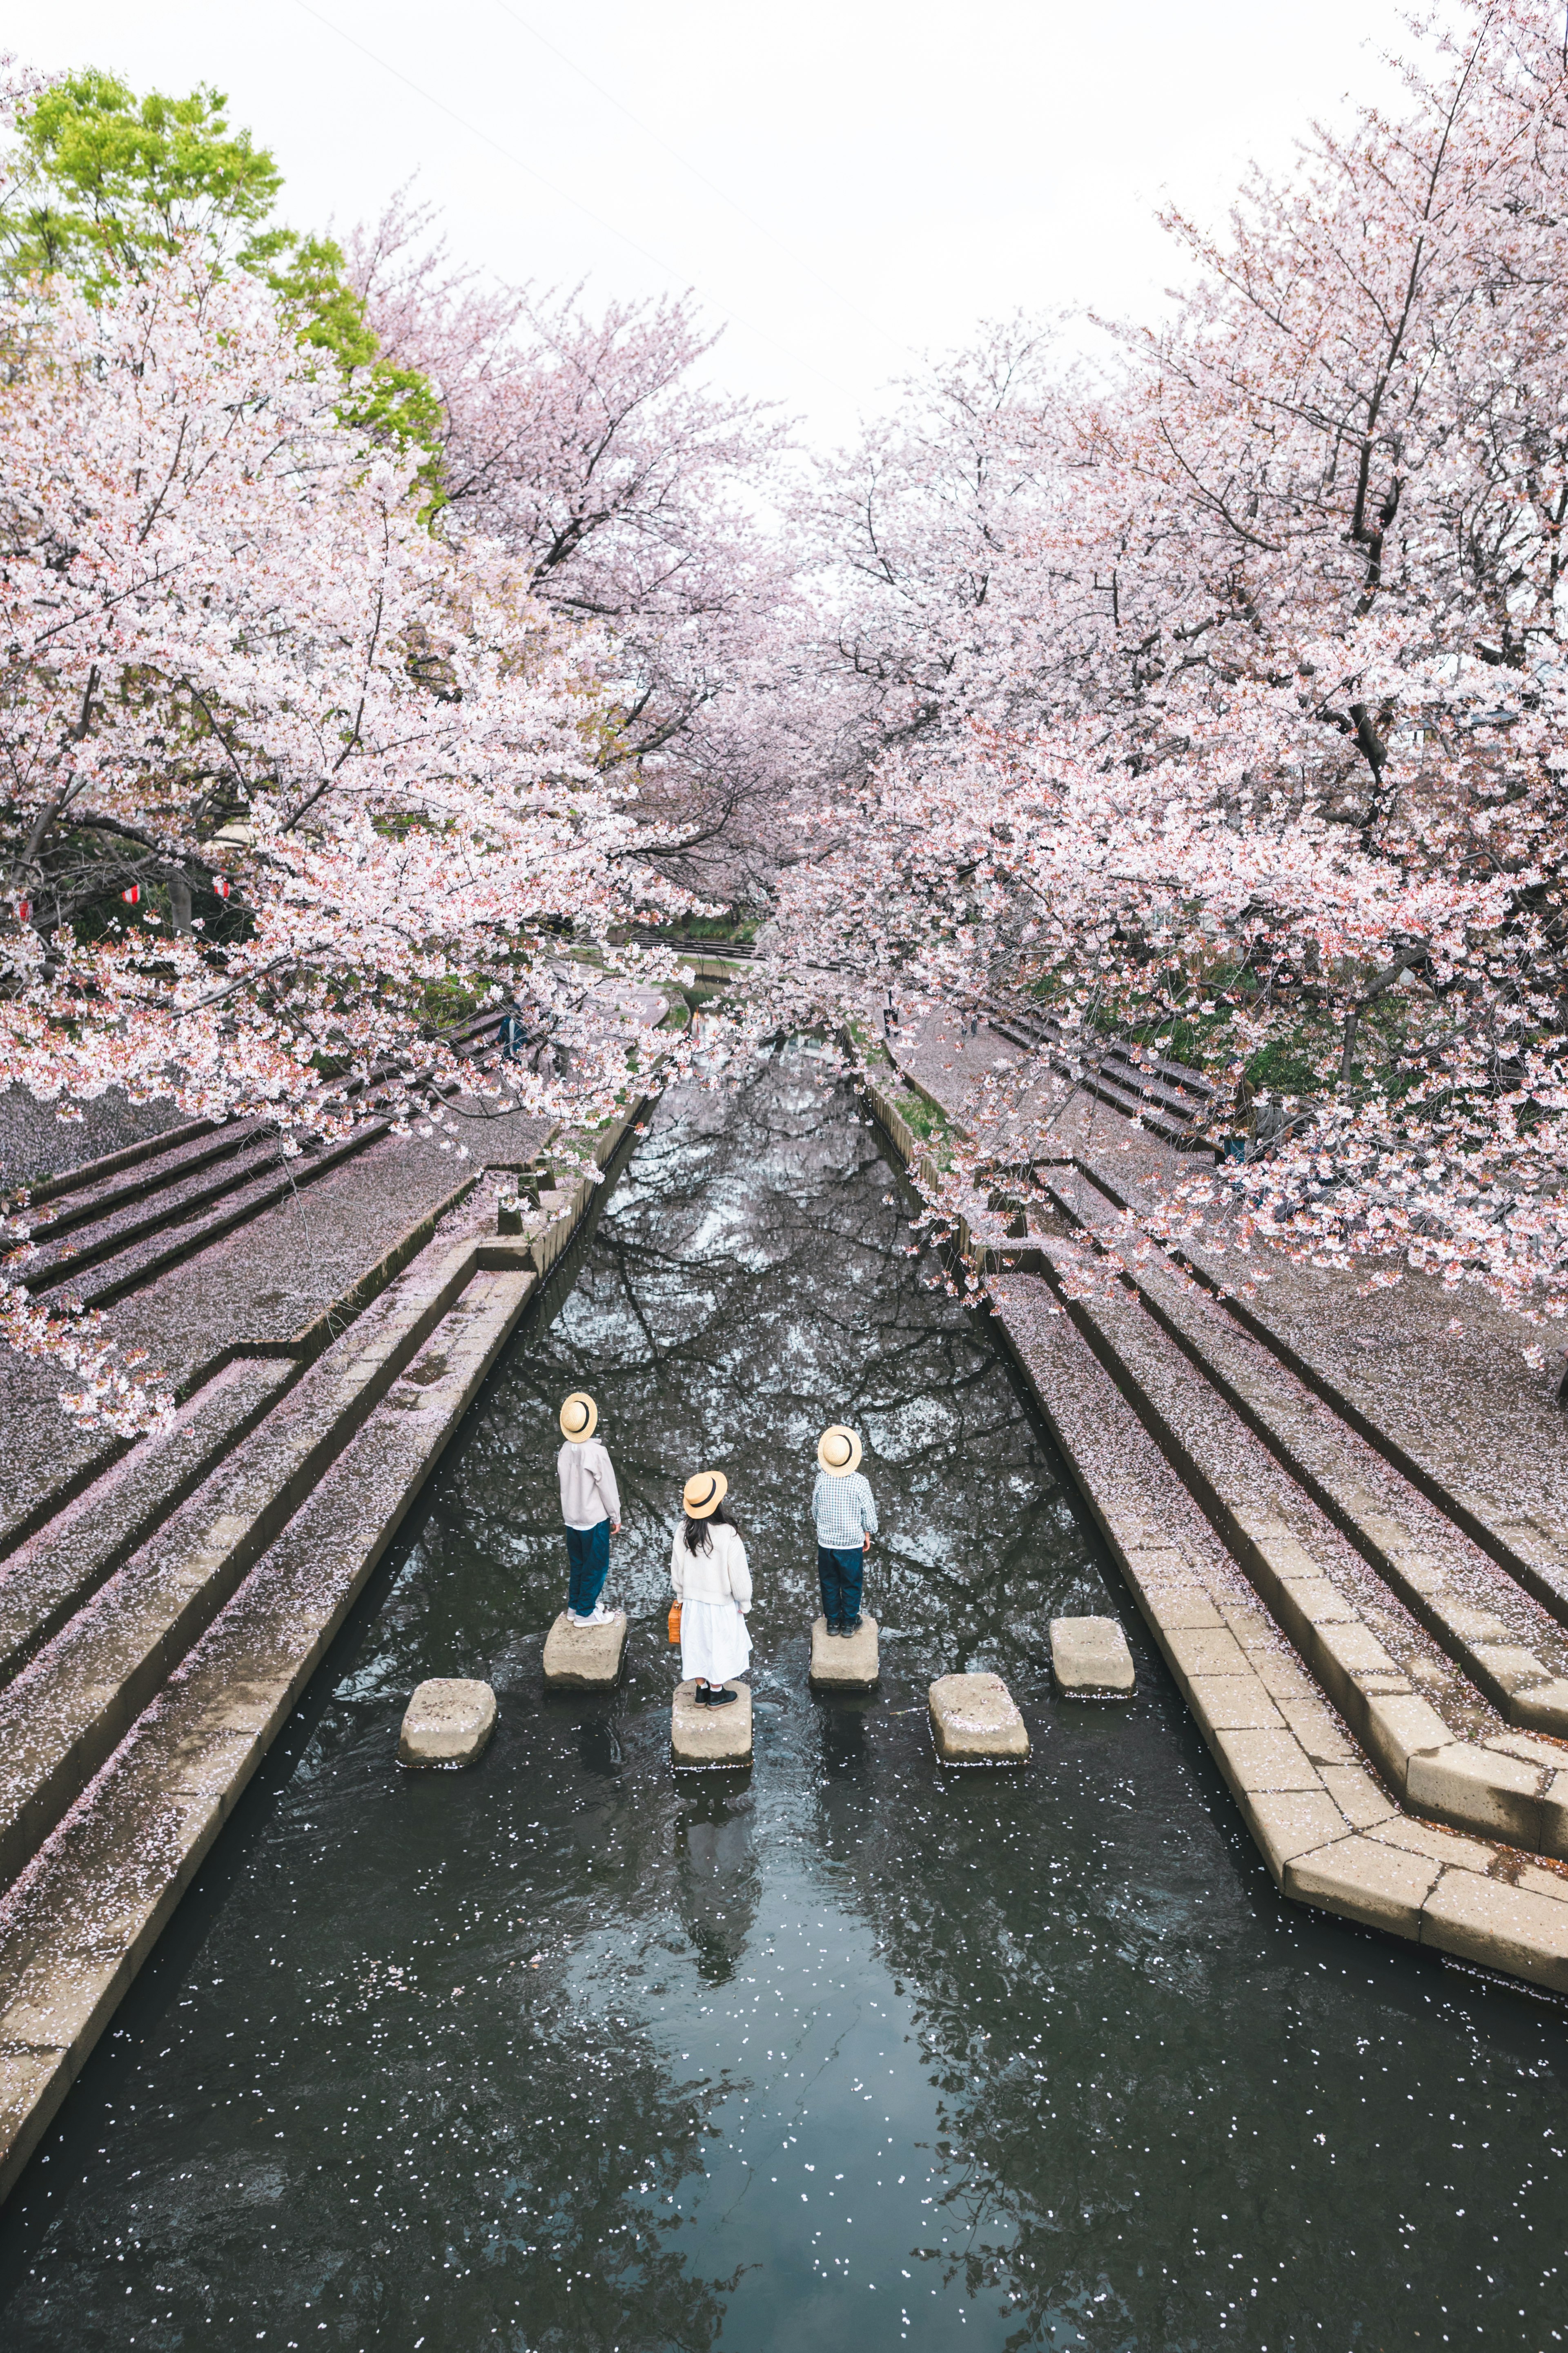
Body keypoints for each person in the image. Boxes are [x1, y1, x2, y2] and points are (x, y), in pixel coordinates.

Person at [670, 1470, 752, 1705]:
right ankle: (717, 1693)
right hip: (721, 1604)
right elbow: (739, 1576)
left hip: (692, 1601)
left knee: (696, 1644)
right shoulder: (728, 1533)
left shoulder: (683, 1529)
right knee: (720, 1645)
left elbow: (677, 1567)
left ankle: (701, 1691)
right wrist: (744, 1602)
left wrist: (681, 1595)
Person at [557, 1391, 621, 1626]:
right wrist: (616, 1516)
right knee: (596, 1566)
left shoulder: (565, 1449)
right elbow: (608, 1488)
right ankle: (586, 1613)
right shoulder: (596, 1452)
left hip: (571, 1519)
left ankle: (575, 1606)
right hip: (593, 1520)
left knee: (578, 1565)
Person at [811, 1424, 877, 1635]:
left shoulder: (821, 1479)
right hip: (851, 1544)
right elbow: (868, 1513)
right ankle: (849, 1623)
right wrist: (868, 1534)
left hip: (826, 1544)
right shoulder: (859, 1482)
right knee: (851, 1583)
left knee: (829, 1583)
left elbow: (815, 1510)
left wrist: (823, 1529)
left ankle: (832, 1623)